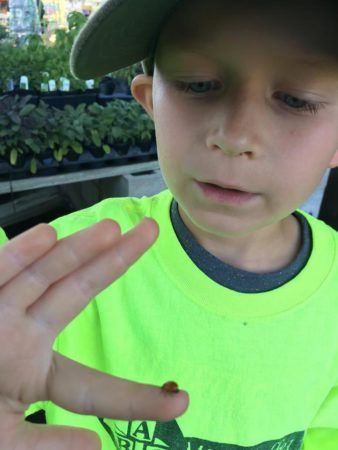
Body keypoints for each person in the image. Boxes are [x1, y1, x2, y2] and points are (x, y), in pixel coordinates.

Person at [0, 0, 338, 449]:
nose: (235, 136)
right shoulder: (55, 266)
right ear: (148, 101)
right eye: (198, 85)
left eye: (295, 99)